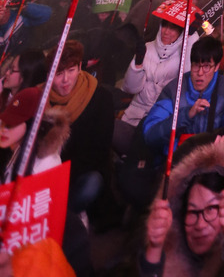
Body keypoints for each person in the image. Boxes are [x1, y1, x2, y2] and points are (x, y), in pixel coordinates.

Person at [139, 135, 224, 277]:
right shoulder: (174, 247)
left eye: (211, 209)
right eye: (192, 212)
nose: (200, 224)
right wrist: (155, 248)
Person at [45, 38, 115, 213]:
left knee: (91, 184)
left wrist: (61, 175)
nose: (66, 80)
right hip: (45, 172)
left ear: (80, 68)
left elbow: (98, 150)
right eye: (58, 73)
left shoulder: (101, 97)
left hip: (81, 171)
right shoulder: (41, 98)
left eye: (71, 70)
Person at [142, 35, 224, 160]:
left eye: (206, 66)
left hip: (213, 161)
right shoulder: (175, 89)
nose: (200, 73)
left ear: (216, 67)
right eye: (196, 65)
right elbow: (150, 134)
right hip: (177, 160)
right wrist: (186, 115)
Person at [114, 18, 187, 155]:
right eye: (165, 25)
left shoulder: (184, 56)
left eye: (173, 28)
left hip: (160, 121)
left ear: (181, 32)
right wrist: (138, 63)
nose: (166, 31)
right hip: (134, 115)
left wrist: (192, 35)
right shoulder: (146, 47)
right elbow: (130, 88)